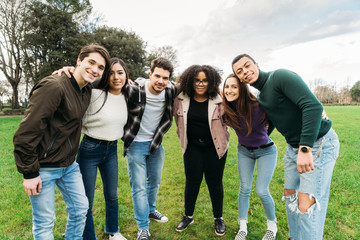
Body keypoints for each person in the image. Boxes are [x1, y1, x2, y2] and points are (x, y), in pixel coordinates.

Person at [231, 54, 340, 240]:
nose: (245, 72)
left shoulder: (279, 76)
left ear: (256, 64)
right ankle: (295, 236)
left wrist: (305, 149)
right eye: (239, 71)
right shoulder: (261, 95)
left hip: (317, 144)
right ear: (240, 78)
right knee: (291, 196)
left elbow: (312, 106)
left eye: (247, 66)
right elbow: (271, 121)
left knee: (307, 204)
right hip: (293, 148)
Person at [13, 44, 111, 240]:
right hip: (43, 168)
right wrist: (30, 173)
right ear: (79, 60)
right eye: (91, 62)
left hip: (69, 165)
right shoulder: (54, 86)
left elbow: (116, 83)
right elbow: (26, 132)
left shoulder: (86, 89)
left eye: (100, 67)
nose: (95, 69)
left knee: (80, 210)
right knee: (44, 222)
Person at [54, 57, 129, 240]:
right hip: (89, 149)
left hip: (111, 150)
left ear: (126, 75)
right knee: (86, 199)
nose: (116, 77)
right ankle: (88, 236)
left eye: (120, 73)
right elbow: (75, 81)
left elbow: (149, 83)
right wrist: (68, 69)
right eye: (111, 73)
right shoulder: (92, 92)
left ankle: (113, 231)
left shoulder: (129, 94)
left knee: (112, 194)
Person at [122, 57, 177, 240]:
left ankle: (151, 210)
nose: (161, 81)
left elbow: (192, 84)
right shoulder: (134, 89)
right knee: (138, 187)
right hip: (135, 145)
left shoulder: (170, 90)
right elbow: (106, 84)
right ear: (150, 74)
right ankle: (143, 227)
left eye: (165, 78)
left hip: (155, 145)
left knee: (154, 182)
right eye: (157, 76)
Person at [173, 65, 229, 236]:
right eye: (197, 80)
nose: (201, 84)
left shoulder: (220, 99)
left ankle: (218, 218)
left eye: (205, 80)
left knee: (215, 183)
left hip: (215, 148)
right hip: (192, 148)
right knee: (192, 182)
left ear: (211, 82)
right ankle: (188, 216)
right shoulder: (180, 98)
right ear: (190, 81)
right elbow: (177, 120)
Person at [223, 74, 278, 240]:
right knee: (244, 188)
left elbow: (274, 118)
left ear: (242, 88)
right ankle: (242, 228)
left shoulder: (257, 105)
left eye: (234, 87)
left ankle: (272, 226)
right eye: (227, 87)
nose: (229, 90)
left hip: (266, 151)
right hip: (244, 151)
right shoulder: (226, 109)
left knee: (261, 191)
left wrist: (264, 135)